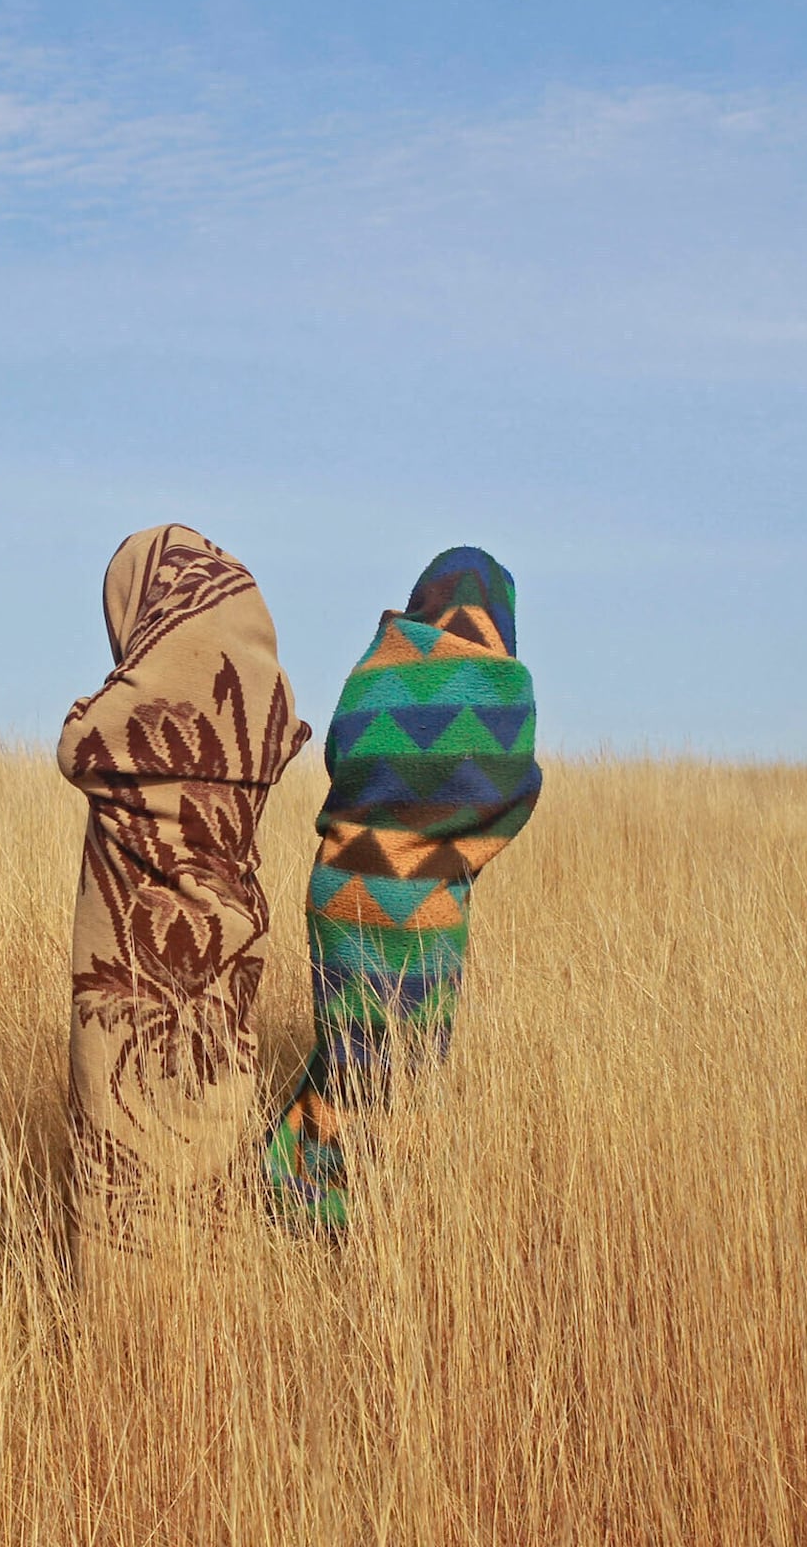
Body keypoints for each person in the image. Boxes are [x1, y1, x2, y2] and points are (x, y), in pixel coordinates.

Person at [264, 547, 541, 1232]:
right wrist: (448, 842)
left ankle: (289, 1198)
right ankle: (341, 1228)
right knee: (399, 1084)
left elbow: (339, 758)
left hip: (340, 882)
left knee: (346, 1063)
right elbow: (515, 792)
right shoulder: (502, 683)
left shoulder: (376, 667)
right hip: (426, 901)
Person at [59, 525, 309, 1281]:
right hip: (231, 940)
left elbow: (80, 745)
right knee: (211, 1109)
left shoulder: (132, 708)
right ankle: (204, 1321)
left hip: (133, 949)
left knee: (122, 1121)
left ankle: (127, 1325)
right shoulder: (266, 699)